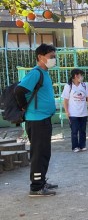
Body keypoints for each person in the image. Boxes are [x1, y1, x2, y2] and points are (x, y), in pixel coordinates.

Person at [15, 43, 57, 197]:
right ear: (40, 57)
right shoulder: (36, 73)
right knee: (39, 154)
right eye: (51, 57)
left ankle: (41, 181)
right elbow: (19, 90)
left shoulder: (45, 73)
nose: (54, 59)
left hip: (44, 119)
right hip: (37, 120)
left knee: (44, 153)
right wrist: (24, 107)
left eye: (54, 57)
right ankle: (36, 187)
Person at [62, 68, 88, 153]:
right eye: (81, 75)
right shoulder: (68, 86)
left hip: (83, 112)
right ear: (76, 76)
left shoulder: (84, 85)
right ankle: (75, 147)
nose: (82, 77)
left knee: (83, 130)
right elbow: (65, 100)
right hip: (73, 113)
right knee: (74, 131)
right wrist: (67, 111)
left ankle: (82, 145)